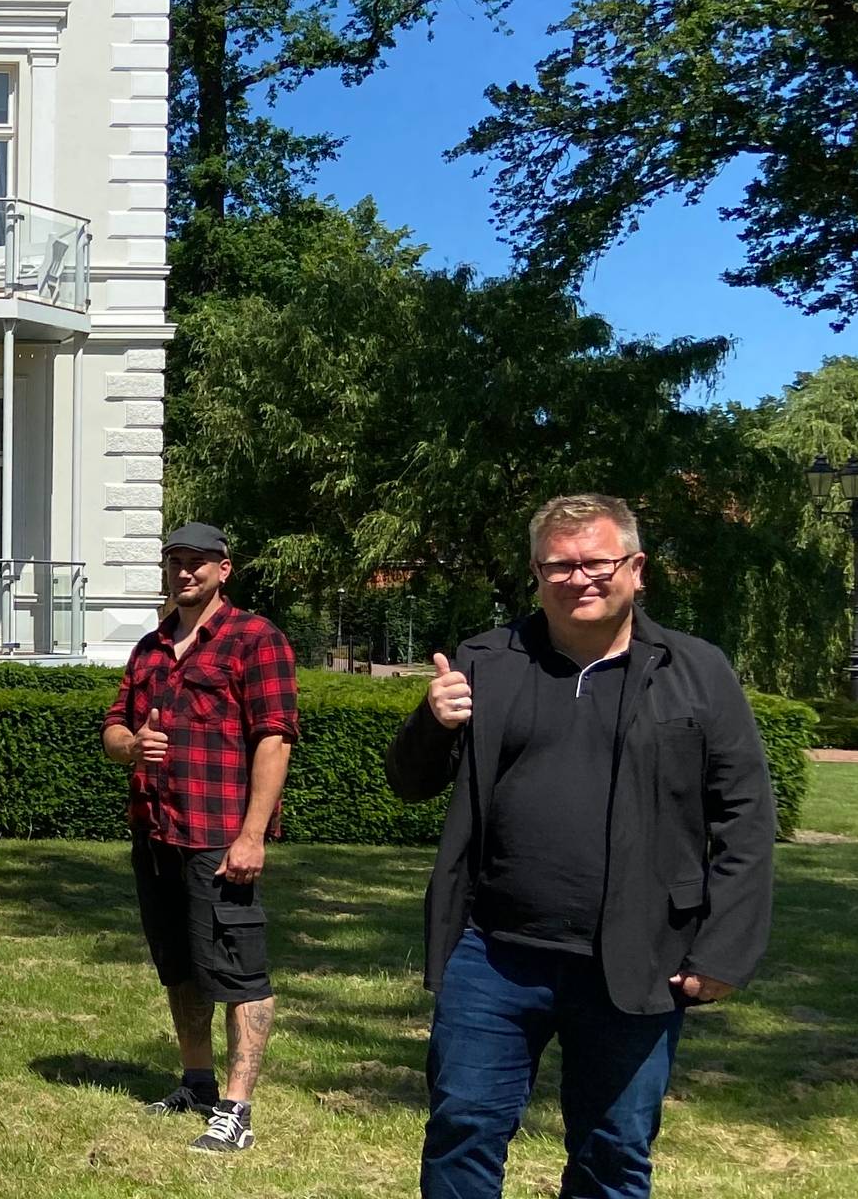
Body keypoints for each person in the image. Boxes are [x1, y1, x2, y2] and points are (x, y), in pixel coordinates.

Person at [389, 494, 776, 1199]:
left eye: (597, 562)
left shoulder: (696, 670)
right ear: (537, 574)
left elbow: (746, 818)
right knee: (463, 1128)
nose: (580, 579)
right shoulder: (487, 660)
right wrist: (431, 721)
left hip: (638, 959)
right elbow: (409, 783)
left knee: (614, 1149)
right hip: (495, 953)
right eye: (559, 566)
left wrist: (724, 950)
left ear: (636, 569)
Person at [100, 521, 299, 1153]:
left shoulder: (254, 639)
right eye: (176, 561)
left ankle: (237, 1109)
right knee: (178, 967)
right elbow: (112, 729)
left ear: (223, 569)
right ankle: (197, 1081)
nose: (186, 571)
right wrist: (131, 745)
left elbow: (275, 736)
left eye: (198, 562)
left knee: (238, 970)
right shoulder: (151, 648)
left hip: (219, 836)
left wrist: (252, 834)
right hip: (156, 833)